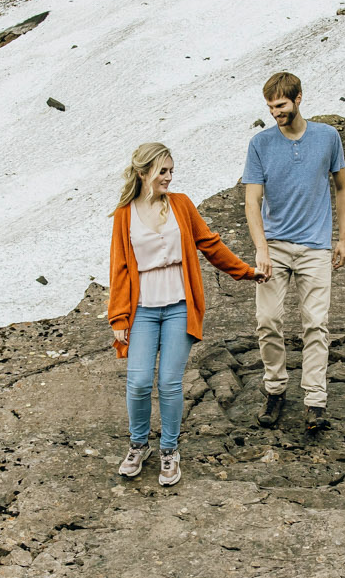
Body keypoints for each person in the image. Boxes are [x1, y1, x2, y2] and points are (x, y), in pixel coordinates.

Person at [108, 141, 260, 486]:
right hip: (143, 309)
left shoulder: (181, 204)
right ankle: (138, 445)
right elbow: (119, 266)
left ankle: (169, 451)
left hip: (180, 305)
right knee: (139, 382)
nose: (169, 177)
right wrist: (119, 318)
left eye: (171, 171)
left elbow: (210, 244)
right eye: (162, 171)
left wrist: (245, 272)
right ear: (144, 172)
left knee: (170, 383)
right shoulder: (125, 214)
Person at [242, 71, 345, 435]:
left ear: (299, 98)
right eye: (271, 107)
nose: (276, 113)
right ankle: (275, 390)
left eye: (282, 105)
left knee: (315, 324)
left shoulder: (327, 137)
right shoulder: (260, 144)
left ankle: (315, 400)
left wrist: (343, 238)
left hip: (316, 247)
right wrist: (261, 249)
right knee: (268, 320)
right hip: (274, 245)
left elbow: (342, 188)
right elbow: (252, 199)